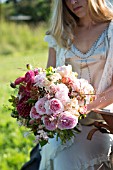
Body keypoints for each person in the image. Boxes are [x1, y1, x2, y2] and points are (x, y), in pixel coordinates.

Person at [38, 0, 113, 170]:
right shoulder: (59, 36)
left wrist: (82, 109)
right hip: (65, 125)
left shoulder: (111, 29)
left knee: (68, 158)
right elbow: (48, 81)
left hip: (102, 122)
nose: (73, 2)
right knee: (60, 151)